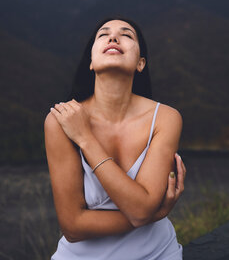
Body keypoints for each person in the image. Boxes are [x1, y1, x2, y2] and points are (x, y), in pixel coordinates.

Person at [44, 17, 186, 260]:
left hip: (159, 253)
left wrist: (86, 139)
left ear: (140, 63)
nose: (113, 37)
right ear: (91, 62)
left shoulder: (165, 118)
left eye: (127, 35)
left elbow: (140, 210)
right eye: (103, 34)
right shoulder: (61, 120)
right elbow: (72, 226)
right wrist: (151, 214)